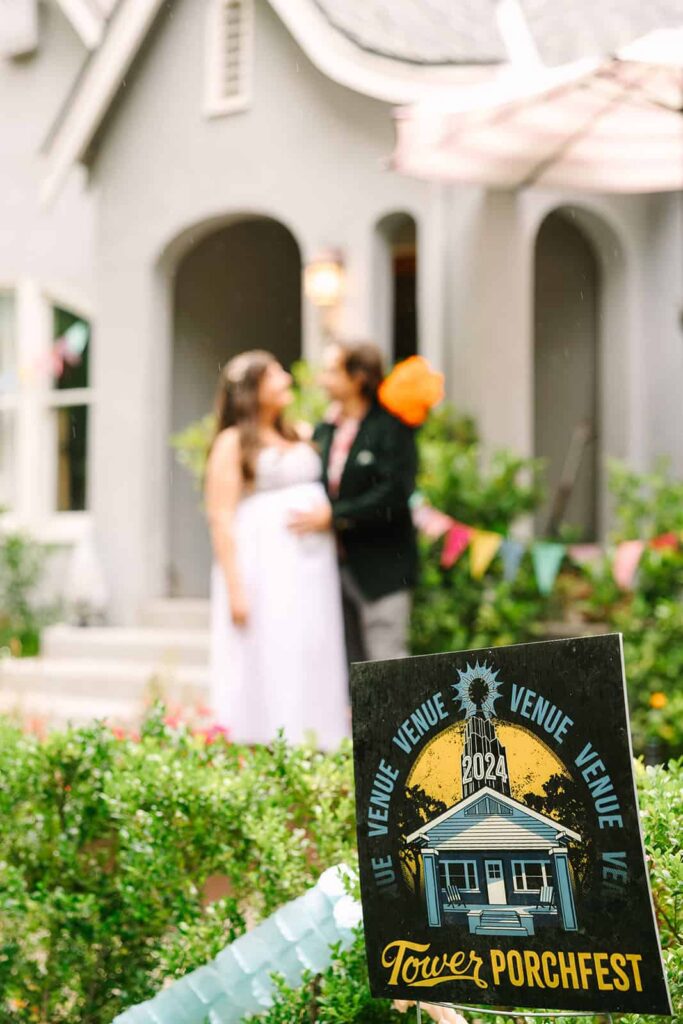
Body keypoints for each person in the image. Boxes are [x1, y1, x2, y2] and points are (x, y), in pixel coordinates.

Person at [205, 350, 348, 749]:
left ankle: (316, 740)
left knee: (311, 648)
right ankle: (267, 741)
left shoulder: (301, 433)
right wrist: (235, 589)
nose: (287, 379)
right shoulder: (233, 442)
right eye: (275, 374)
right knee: (269, 651)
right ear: (252, 390)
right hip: (263, 570)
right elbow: (220, 516)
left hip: (312, 571)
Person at [289, 340, 418, 664]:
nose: (322, 379)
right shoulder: (324, 430)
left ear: (359, 377)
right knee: (343, 668)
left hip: (382, 569)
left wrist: (335, 515)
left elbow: (394, 493)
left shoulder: (391, 427)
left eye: (332, 371)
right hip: (330, 568)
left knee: (385, 665)